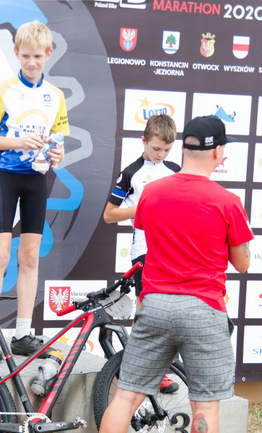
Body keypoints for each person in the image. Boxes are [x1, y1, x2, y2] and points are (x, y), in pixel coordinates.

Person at [61, 116, 253, 433]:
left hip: (156, 305)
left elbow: (149, 232)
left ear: (183, 148)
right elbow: (241, 262)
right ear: (218, 152)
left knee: (126, 396)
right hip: (204, 308)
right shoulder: (227, 201)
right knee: (205, 405)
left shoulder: (152, 193)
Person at [0, 21, 69, 361]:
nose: (32, 62)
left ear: (49, 55)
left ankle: (23, 333)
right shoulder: (3, 90)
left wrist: (58, 155)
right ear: (16, 53)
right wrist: (18, 141)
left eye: (38, 57)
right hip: (6, 177)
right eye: (26, 56)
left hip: (37, 180)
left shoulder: (56, 96)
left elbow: (57, 141)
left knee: (30, 257)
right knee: (0, 256)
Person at [103, 113, 181, 394]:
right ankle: (139, 371)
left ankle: (160, 370)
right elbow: (109, 215)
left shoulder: (176, 171)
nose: (161, 155)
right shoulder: (131, 172)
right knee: (147, 310)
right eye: (156, 148)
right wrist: (142, 208)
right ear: (144, 141)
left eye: (167, 150)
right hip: (146, 248)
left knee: (173, 309)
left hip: (175, 248)